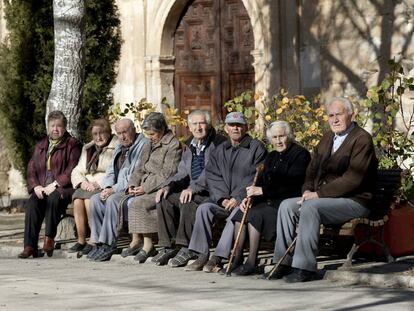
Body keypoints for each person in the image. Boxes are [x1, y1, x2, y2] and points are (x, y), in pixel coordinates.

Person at [269, 97, 378, 283]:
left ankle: (304, 267)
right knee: (287, 206)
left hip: (356, 200)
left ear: (351, 115)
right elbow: (312, 169)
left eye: (339, 114)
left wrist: (318, 194)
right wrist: (307, 190)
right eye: (331, 115)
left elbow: (353, 179)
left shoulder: (362, 139)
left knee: (312, 208)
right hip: (327, 199)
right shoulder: (328, 137)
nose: (334, 119)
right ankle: (282, 262)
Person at [169, 111, 267, 270]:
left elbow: (254, 176)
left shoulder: (256, 148)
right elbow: (212, 176)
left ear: (246, 127)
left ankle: (218, 257)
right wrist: (222, 199)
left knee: (234, 217)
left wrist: (237, 197)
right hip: (223, 200)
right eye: (231, 125)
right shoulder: (221, 149)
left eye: (239, 125)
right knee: (204, 209)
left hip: (244, 201)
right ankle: (202, 255)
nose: (235, 129)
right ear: (226, 128)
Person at [226, 121, 310, 275]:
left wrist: (262, 191)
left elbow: (293, 184)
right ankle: (237, 258)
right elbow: (261, 181)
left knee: (256, 215)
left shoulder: (300, 154)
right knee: (241, 214)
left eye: (281, 136)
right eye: (275, 137)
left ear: (289, 136)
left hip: (287, 201)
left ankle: (252, 261)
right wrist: (249, 198)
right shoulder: (271, 156)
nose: (278, 141)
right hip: (269, 200)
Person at [152, 110, 226, 265]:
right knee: (164, 199)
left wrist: (193, 188)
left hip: (213, 191)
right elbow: (182, 172)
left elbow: (211, 172)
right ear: (189, 127)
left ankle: (187, 248)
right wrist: (169, 186)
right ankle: (168, 246)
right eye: (195, 124)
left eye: (202, 123)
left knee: (188, 200)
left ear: (208, 125)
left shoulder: (219, 143)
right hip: (194, 189)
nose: (198, 127)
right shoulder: (189, 144)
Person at [18, 111, 82, 258]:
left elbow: (72, 167)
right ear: (48, 127)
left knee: (54, 198)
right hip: (42, 188)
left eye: (59, 126)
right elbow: (31, 168)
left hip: (64, 188)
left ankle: (49, 240)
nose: (55, 129)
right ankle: (29, 246)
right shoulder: (41, 144)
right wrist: (36, 186)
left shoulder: (72, 144)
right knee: (32, 203)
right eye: (52, 125)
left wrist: (55, 184)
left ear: (65, 127)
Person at [125, 112, 182, 263]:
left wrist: (145, 188)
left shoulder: (173, 145)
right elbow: (139, 167)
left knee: (139, 202)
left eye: (152, 133)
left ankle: (148, 245)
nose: (150, 137)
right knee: (126, 199)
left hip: (161, 187)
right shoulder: (148, 143)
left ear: (162, 129)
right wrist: (133, 184)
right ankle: (135, 241)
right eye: (147, 134)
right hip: (145, 183)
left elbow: (168, 173)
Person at [87, 118, 146, 261]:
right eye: (118, 133)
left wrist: (113, 190)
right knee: (95, 199)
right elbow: (110, 171)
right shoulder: (120, 146)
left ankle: (109, 244)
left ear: (133, 130)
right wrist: (107, 187)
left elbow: (133, 176)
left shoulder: (142, 145)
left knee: (112, 200)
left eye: (125, 132)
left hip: (131, 189)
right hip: (116, 188)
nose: (122, 136)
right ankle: (99, 242)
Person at [68, 119, 118, 254]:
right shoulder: (88, 148)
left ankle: (94, 240)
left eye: (101, 133)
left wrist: (99, 183)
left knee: (90, 199)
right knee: (78, 200)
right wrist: (82, 183)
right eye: (95, 134)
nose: (98, 137)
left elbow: (115, 170)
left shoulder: (116, 146)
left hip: (104, 184)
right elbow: (77, 170)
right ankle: (81, 240)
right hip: (87, 184)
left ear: (108, 133)